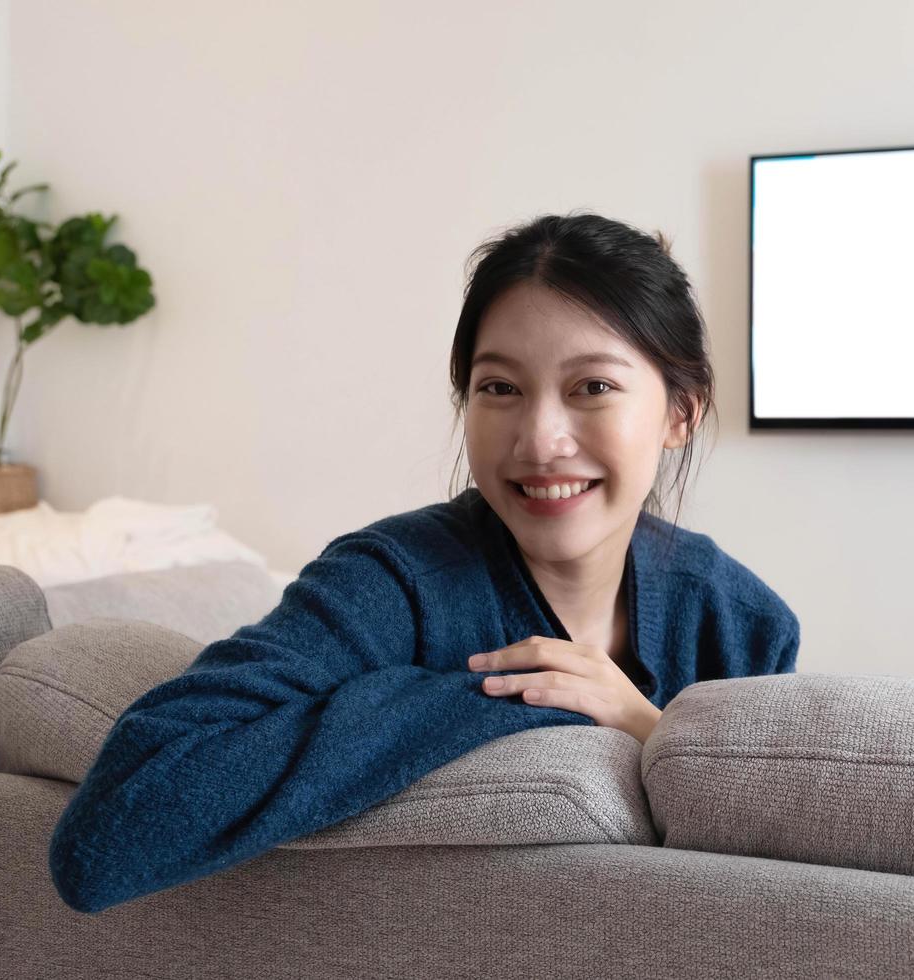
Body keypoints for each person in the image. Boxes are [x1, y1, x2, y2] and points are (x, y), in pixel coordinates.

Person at [48, 211, 801, 915]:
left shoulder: (740, 622)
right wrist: (507, 696)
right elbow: (111, 833)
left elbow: (791, 885)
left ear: (679, 412)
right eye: (499, 388)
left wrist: (647, 726)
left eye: (593, 387)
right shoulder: (390, 585)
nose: (540, 440)